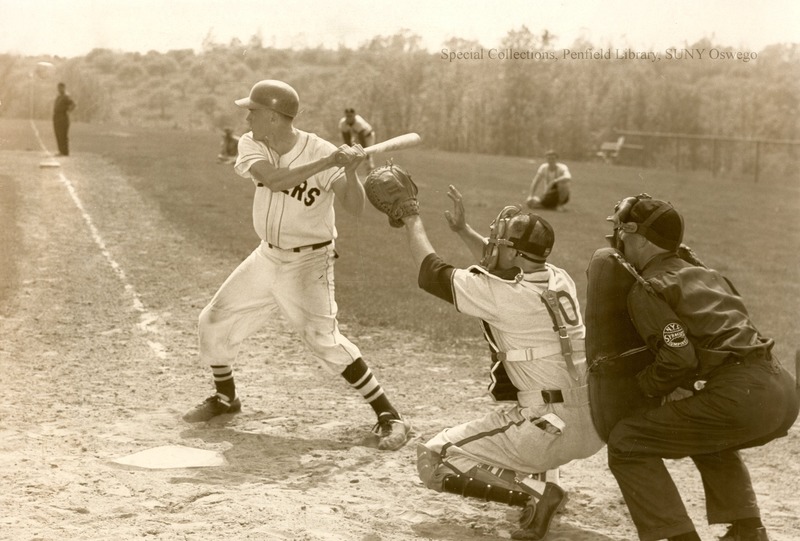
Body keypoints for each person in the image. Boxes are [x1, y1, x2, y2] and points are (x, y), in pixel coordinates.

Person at [182, 80, 413, 452]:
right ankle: (226, 399)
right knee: (212, 320)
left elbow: (354, 208)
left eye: (253, 110)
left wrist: (350, 171)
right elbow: (272, 180)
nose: (247, 115)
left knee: (323, 339)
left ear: (273, 117)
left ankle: (389, 415)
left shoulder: (321, 150)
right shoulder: (253, 142)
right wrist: (328, 163)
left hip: (309, 262)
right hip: (267, 255)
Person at [391, 178, 604, 539]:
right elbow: (503, 270)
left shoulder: (501, 295)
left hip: (547, 429)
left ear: (517, 254)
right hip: (595, 421)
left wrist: (411, 216)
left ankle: (538, 493)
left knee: (434, 458)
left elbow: (432, 271)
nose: (491, 247)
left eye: (499, 243)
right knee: (542, 406)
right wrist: (463, 231)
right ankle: (545, 478)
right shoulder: (557, 277)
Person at [603, 194, 799, 541]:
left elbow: (678, 359)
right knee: (706, 430)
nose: (618, 239)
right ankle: (747, 530)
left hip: (741, 397)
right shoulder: (705, 273)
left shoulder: (648, 287)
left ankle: (679, 537)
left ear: (640, 238)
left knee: (626, 441)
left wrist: (641, 388)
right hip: (781, 390)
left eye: (622, 231)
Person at [52, 82, 76, 157]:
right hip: (57, 116)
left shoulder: (66, 96)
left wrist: (68, 110)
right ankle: (61, 151)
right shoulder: (59, 96)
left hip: (62, 116)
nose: (59, 89)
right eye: (58, 88)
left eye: (61, 87)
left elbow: (73, 104)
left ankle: (65, 152)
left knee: (63, 134)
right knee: (58, 134)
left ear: (64, 88)